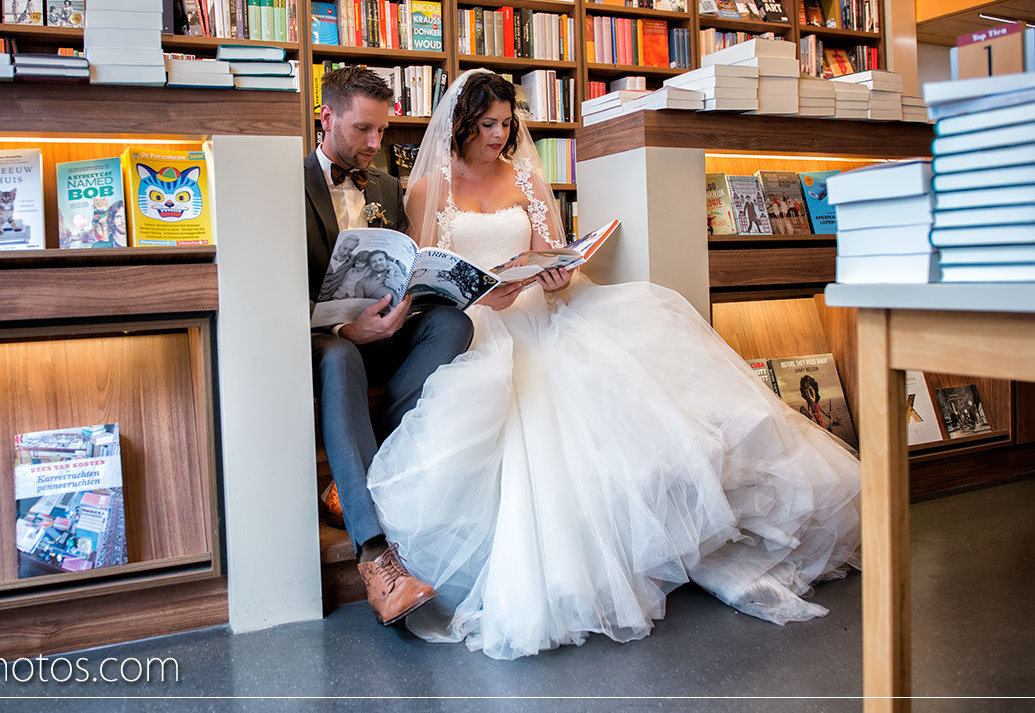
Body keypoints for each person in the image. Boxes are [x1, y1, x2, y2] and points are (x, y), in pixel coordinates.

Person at [365, 70, 862, 660]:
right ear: (462, 124)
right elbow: (427, 282)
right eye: (487, 125)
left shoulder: (524, 174)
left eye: (506, 123)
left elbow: (555, 253)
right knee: (517, 410)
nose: (499, 136)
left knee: (632, 381)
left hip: (541, 311)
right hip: (477, 324)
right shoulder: (427, 189)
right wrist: (477, 298)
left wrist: (556, 274)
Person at [303, 66, 474, 626]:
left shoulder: (384, 186)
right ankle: (376, 557)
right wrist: (343, 329)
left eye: (382, 131)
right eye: (363, 131)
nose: (376, 145)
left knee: (452, 324)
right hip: (328, 344)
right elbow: (272, 292)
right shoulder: (287, 183)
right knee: (340, 355)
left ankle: (360, 449)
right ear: (326, 118)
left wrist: (414, 297)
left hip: (386, 331)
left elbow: (400, 263)